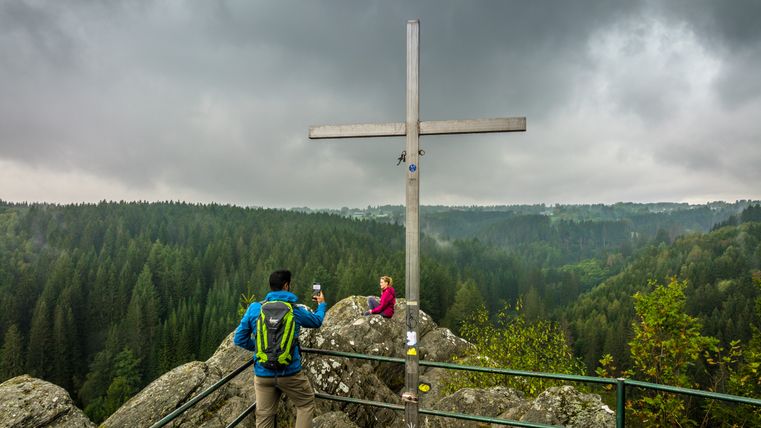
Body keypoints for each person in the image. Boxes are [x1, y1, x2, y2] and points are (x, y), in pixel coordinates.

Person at [234, 270, 327, 428]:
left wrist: (260, 349)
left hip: (263, 374)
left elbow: (239, 339)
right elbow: (317, 321)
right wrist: (321, 304)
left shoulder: (255, 308)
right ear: (286, 286)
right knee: (305, 404)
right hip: (290, 372)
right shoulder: (294, 310)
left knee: (264, 415)